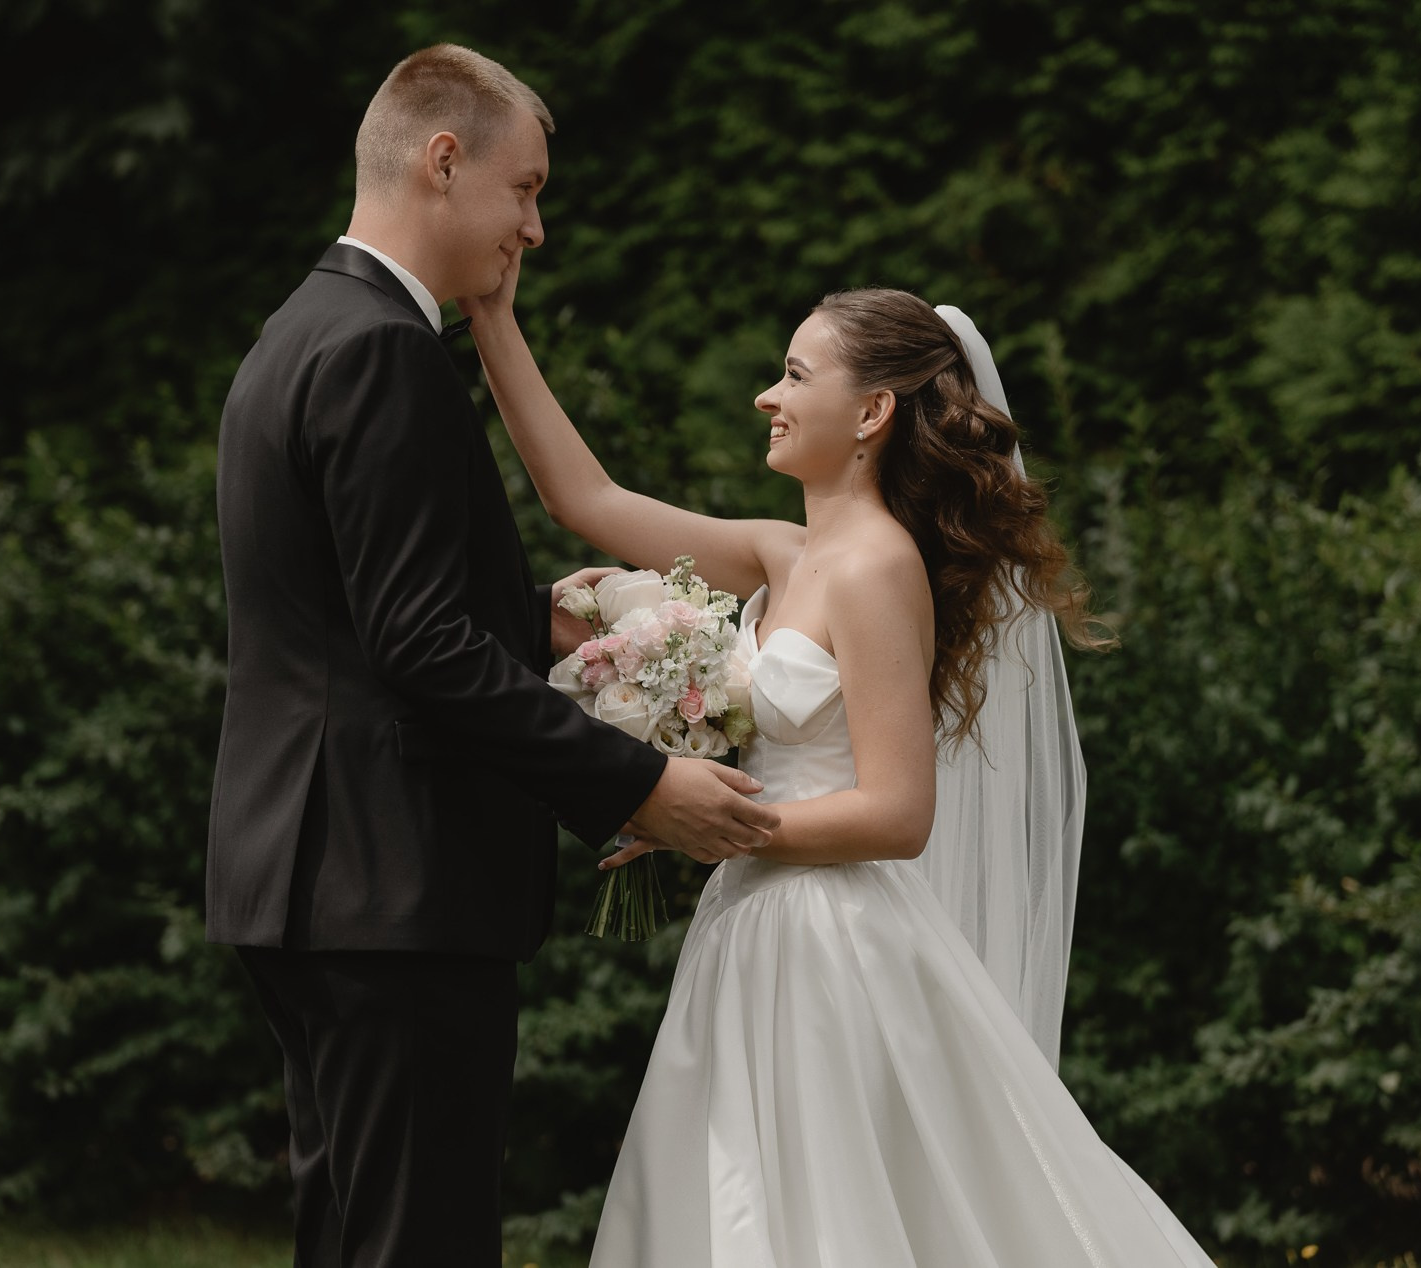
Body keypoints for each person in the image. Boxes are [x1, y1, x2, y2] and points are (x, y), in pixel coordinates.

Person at [459, 270, 1217, 1265]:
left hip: (828, 945)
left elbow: (898, 813)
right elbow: (583, 497)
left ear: (870, 413)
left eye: (794, 374)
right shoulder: (786, 553)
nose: (766, 397)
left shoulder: (875, 568)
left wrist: (712, 820)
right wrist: (491, 315)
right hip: (749, 922)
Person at [206, 45, 780, 1268]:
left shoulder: (301, 328)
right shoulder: (382, 349)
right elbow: (417, 643)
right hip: (389, 879)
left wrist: (537, 620)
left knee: (354, 1233)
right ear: (442, 160)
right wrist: (637, 785)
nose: (533, 227)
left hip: (309, 868)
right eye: (523, 190)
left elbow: (350, 610)